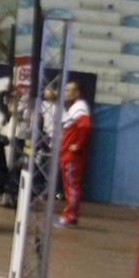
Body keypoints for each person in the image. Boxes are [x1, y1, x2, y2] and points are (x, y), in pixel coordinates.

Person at [56, 79, 91, 227]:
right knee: (69, 187)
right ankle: (69, 215)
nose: (65, 93)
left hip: (72, 157)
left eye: (68, 90)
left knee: (72, 187)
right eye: (65, 90)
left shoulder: (79, 108)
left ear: (77, 93)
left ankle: (70, 217)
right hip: (67, 155)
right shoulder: (73, 108)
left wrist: (77, 145)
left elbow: (86, 126)